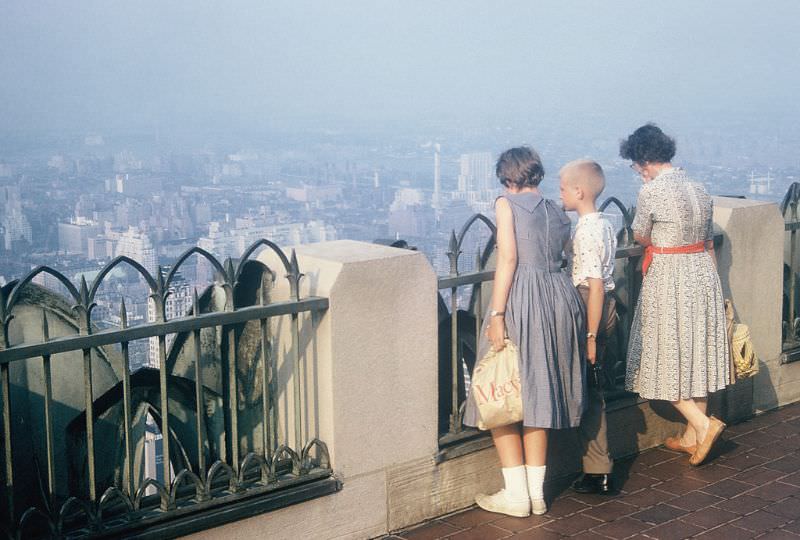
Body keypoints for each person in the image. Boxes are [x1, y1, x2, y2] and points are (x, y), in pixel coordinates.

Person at [463, 147, 586, 517]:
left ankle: (516, 495)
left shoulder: (506, 204)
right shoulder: (555, 209)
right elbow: (564, 254)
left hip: (523, 299)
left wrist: (497, 313)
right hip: (559, 297)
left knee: (498, 390)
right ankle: (536, 495)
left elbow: (510, 258)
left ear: (507, 177)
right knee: (539, 395)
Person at [622, 124, 729, 466]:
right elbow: (708, 241)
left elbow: (641, 235)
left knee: (661, 355)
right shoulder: (699, 188)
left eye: (636, 164)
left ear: (645, 160)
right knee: (696, 356)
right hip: (702, 273)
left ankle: (703, 425)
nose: (638, 171)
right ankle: (692, 437)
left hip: (671, 275)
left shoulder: (651, 192)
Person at [560, 159, 618, 494]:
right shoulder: (605, 224)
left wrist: (590, 336)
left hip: (589, 307)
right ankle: (597, 467)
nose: (561, 194)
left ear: (579, 191)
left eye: (564, 188)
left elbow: (594, 284)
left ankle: (597, 470)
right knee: (593, 389)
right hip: (604, 305)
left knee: (588, 391)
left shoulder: (587, 230)